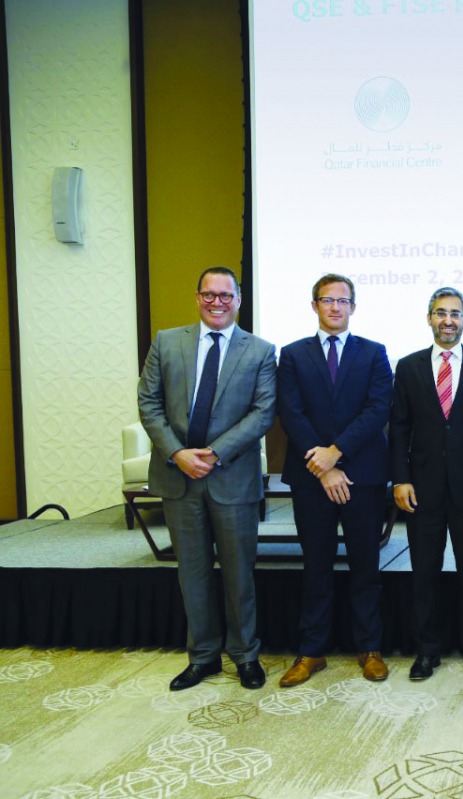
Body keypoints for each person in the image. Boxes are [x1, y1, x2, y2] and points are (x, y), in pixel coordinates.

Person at [136, 266, 276, 691]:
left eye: (225, 295)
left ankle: (246, 656)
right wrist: (178, 454)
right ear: (197, 297)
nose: (217, 302)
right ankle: (203, 658)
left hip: (231, 478)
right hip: (178, 478)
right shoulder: (166, 341)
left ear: (238, 299)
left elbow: (263, 412)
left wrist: (214, 454)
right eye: (209, 295)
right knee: (192, 574)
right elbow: (148, 402)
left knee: (238, 575)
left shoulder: (261, 350)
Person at [276, 274, 392, 687]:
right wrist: (323, 466)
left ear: (353, 307)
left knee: (366, 565)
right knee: (317, 566)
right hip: (311, 479)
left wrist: (336, 454)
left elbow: (378, 410)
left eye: (343, 301)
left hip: (363, 475)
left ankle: (370, 648)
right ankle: (311, 652)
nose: (335, 307)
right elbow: (290, 413)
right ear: (314, 306)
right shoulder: (291, 355)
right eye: (327, 300)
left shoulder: (374, 353)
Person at [391, 287, 463, 681]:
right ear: (429, 318)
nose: (448, 320)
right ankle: (427, 651)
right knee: (425, 573)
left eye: (455, 314)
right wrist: (400, 479)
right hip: (421, 490)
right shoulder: (407, 367)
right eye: (441, 313)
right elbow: (399, 428)